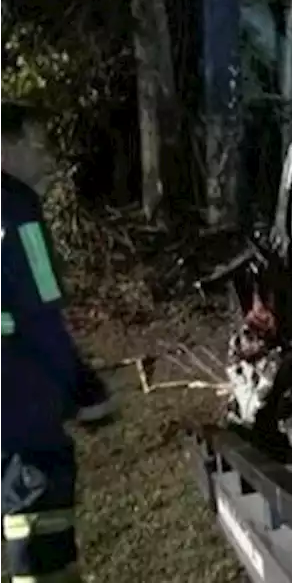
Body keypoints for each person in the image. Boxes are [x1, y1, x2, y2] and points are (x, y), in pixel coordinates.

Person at [1, 100, 108, 582]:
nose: (49, 160)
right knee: (43, 543)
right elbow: (41, 311)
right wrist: (83, 385)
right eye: (38, 146)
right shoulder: (17, 214)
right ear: (5, 148)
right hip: (21, 406)